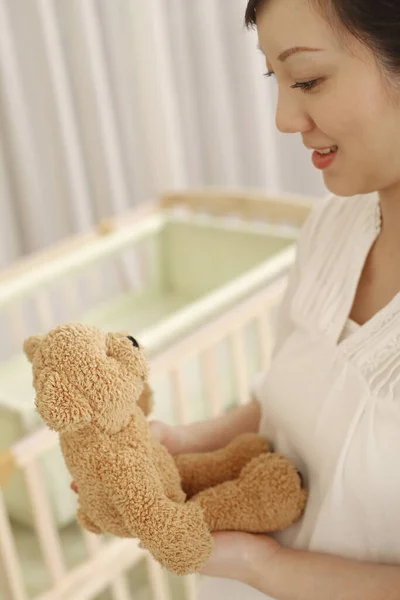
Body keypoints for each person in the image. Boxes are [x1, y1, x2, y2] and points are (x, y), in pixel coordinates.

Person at [149, 0, 400, 598]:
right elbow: (291, 406)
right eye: (275, 79)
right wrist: (184, 443)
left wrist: (263, 567)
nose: (285, 118)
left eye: (308, 79)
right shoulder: (333, 227)